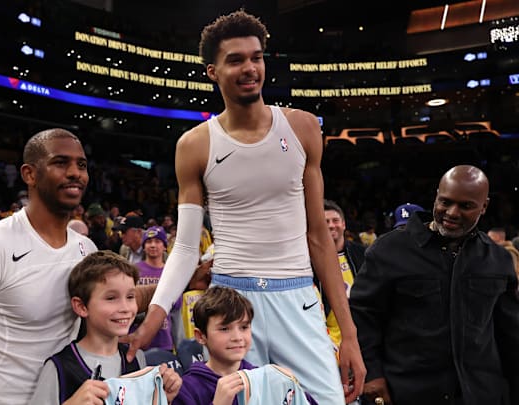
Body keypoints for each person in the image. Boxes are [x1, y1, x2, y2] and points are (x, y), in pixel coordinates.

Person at [127, 10, 365, 404]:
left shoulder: (303, 127)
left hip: (299, 297)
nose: (250, 67)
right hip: (229, 300)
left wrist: (350, 335)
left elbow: (318, 236)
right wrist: (153, 319)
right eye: (235, 60)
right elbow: (186, 248)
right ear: (212, 71)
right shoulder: (194, 144)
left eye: (256, 57)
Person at [0, 129, 154, 405]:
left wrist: (180, 284)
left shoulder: (85, 248)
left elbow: (120, 298)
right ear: (29, 174)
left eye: (82, 165)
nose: (75, 172)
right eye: (60, 163)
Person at [350, 165, 519, 405]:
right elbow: (362, 317)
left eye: (466, 206)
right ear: (436, 196)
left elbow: (510, 335)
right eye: (445, 202)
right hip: (407, 392)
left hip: (480, 393)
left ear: (484, 206)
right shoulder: (389, 250)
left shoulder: (498, 259)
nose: (451, 212)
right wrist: (372, 374)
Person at [31, 250, 181, 405]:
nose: (125, 308)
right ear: (82, 306)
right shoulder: (59, 368)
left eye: (130, 297)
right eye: (111, 298)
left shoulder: (137, 359)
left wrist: (162, 398)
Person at [174, 285, 256, 405]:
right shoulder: (187, 388)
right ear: (201, 336)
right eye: (224, 329)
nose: (237, 337)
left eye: (244, 327)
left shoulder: (258, 377)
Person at [321, 199, 366, 351]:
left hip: (361, 336)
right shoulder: (310, 260)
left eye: (335, 220)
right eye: (326, 221)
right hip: (326, 341)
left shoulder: (363, 254)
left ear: (344, 224)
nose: (331, 225)